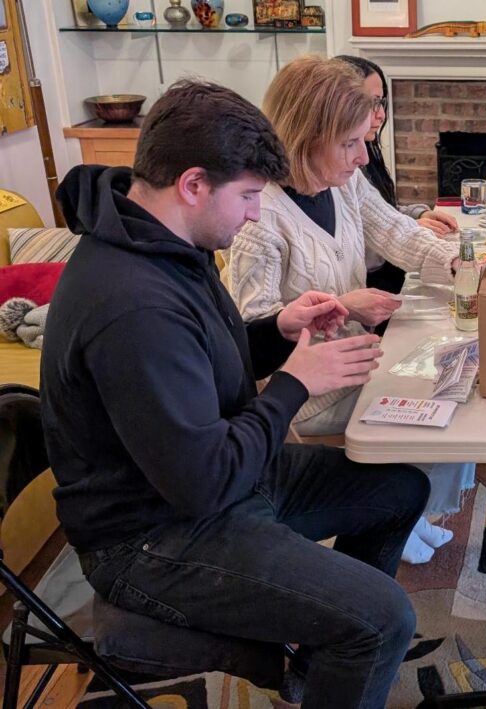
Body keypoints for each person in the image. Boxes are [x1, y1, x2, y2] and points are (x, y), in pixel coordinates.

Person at [41, 80, 429, 709]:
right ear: (193, 184)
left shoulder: (165, 242)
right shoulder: (132, 304)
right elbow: (205, 483)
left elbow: (206, 367)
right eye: (248, 195)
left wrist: (278, 331)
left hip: (210, 480)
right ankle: (347, 646)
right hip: (152, 536)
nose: (255, 212)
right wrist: (298, 382)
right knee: (383, 617)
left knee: (398, 490)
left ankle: (325, 665)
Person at [224, 55, 474, 565]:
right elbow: (253, 338)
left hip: (357, 356)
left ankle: (411, 508)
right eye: (349, 143)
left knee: (461, 375)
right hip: (307, 392)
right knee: (450, 400)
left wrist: (459, 265)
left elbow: (398, 232)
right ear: (306, 137)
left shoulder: (345, 181)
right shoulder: (260, 218)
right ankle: (398, 510)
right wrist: (343, 305)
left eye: (363, 141)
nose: (363, 157)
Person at [337, 54, 459, 296]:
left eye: (381, 102)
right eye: (371, 103)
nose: (381, 115)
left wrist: (416, 215)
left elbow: (384, 218)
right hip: (375, 282)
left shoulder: (354, 173)